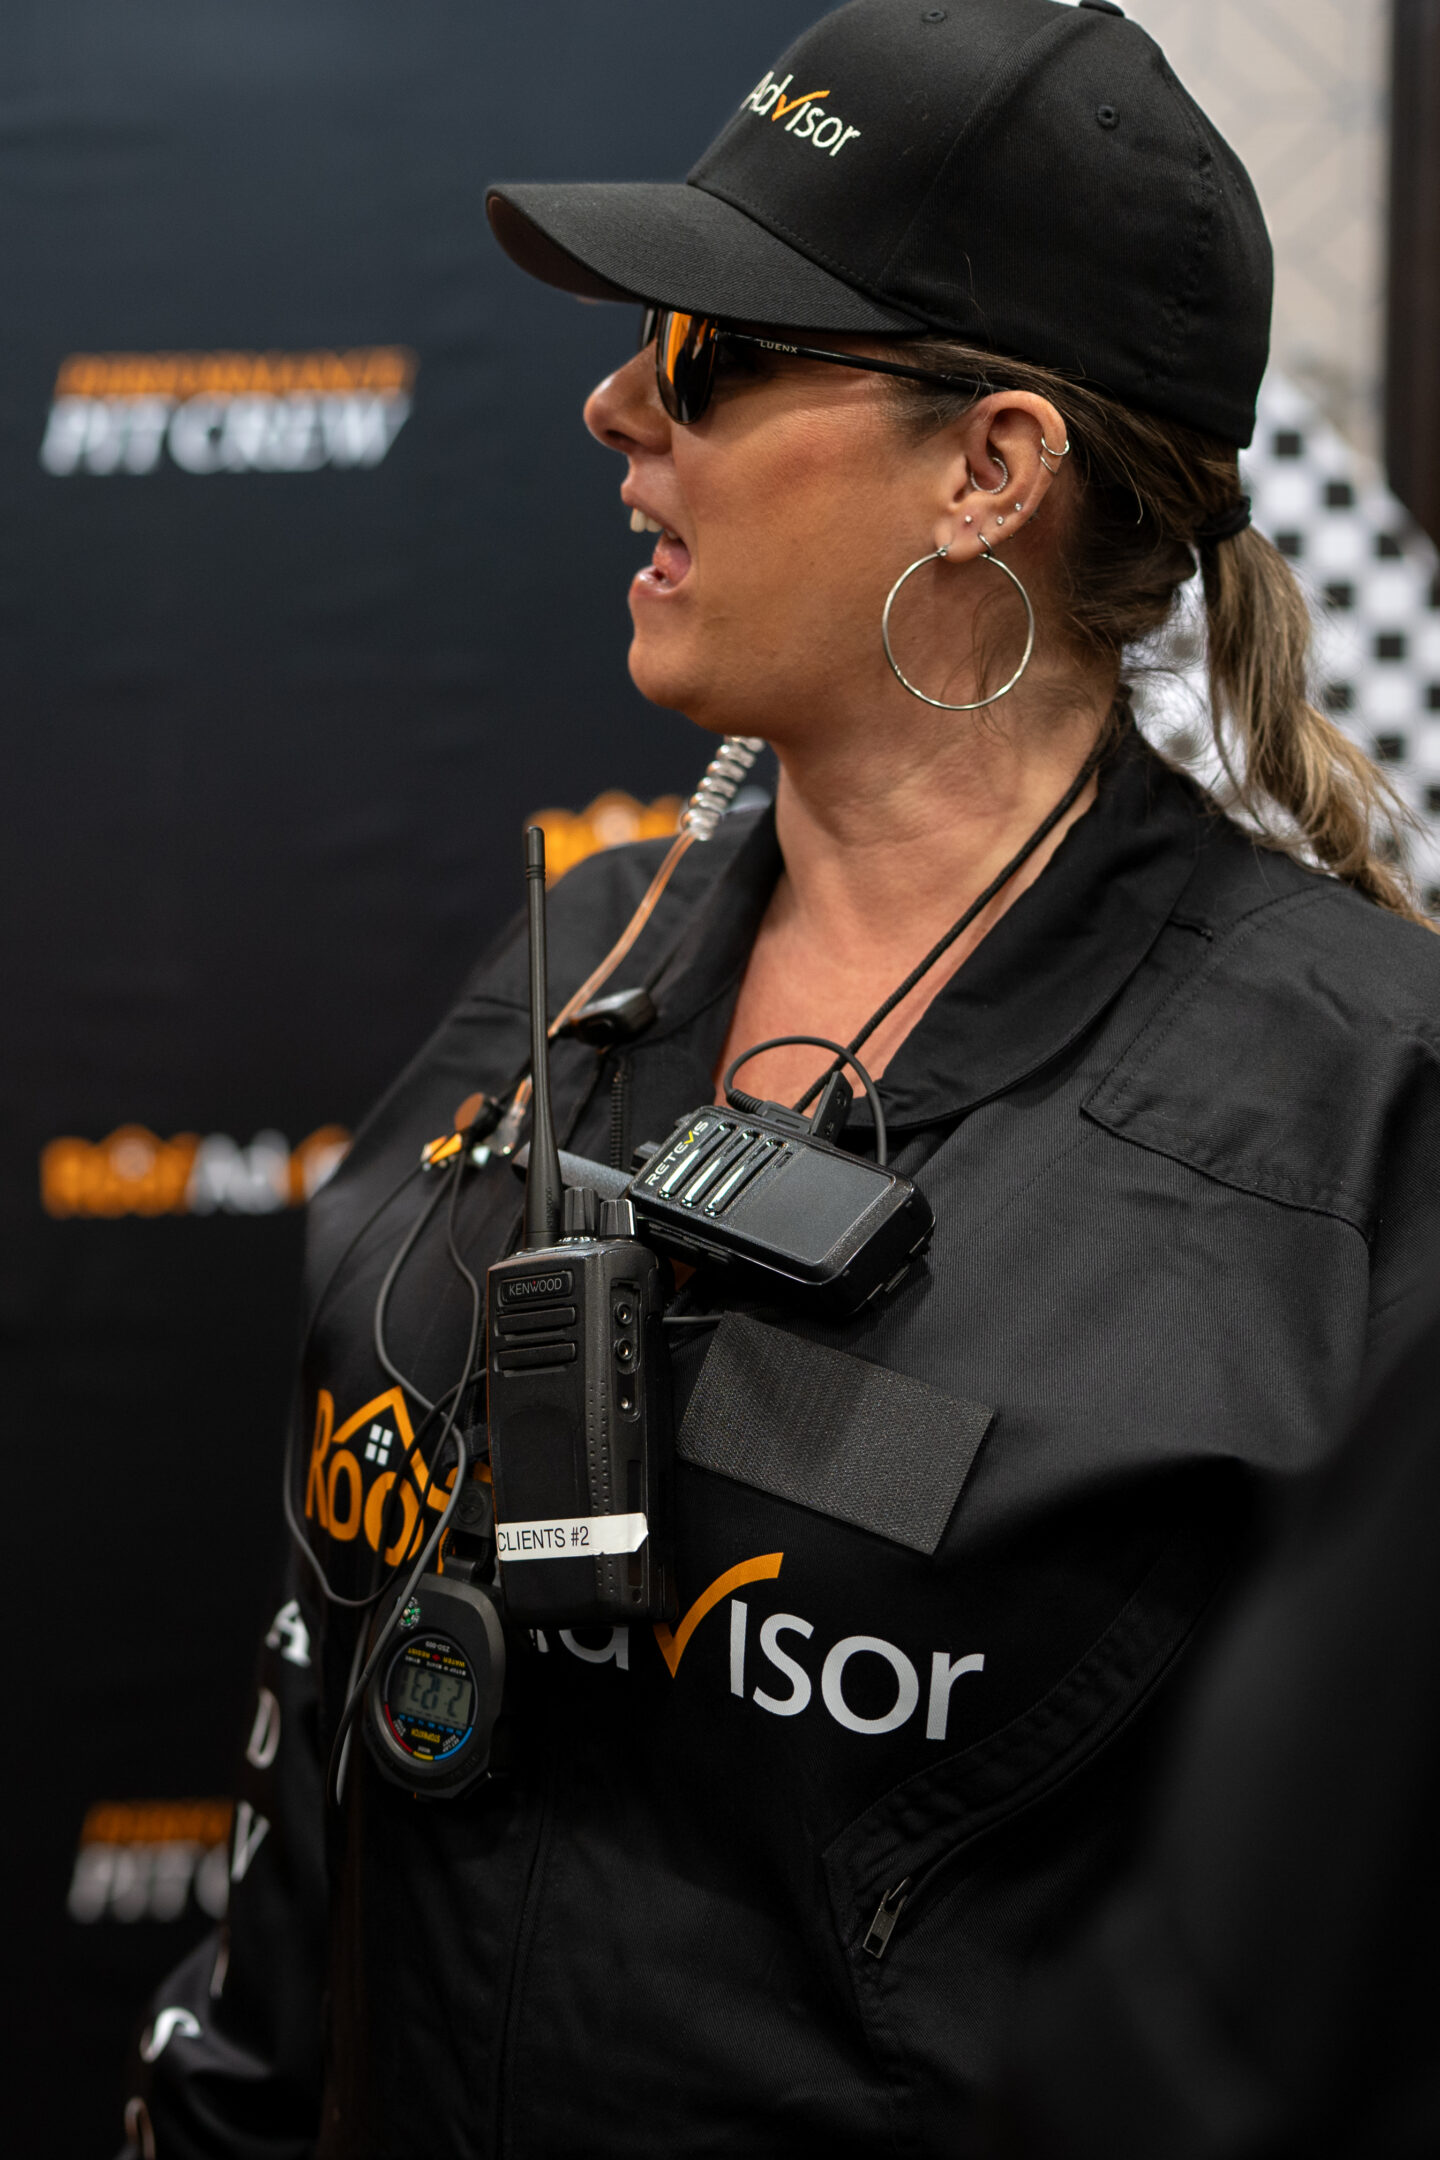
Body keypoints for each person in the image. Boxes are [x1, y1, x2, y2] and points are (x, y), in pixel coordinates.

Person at [122, 3, 1440, 2155]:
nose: (617, 405)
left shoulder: (1362, 1126)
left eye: (710, 351)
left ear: (989, 471)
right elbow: (330, 1751)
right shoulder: (575, 965)